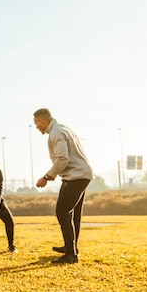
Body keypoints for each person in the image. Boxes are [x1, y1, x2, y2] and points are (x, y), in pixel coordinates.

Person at [33, 108, 93, 264]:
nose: (36, 127)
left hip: (76, 176)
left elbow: (62, 159)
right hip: (82, 174)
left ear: (42, 121)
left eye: (36, 124)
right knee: (73, 214)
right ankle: (70, 247)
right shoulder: (64, 128)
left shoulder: (56, 133)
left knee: (62, 212)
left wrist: (47, 176)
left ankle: (71, 255)